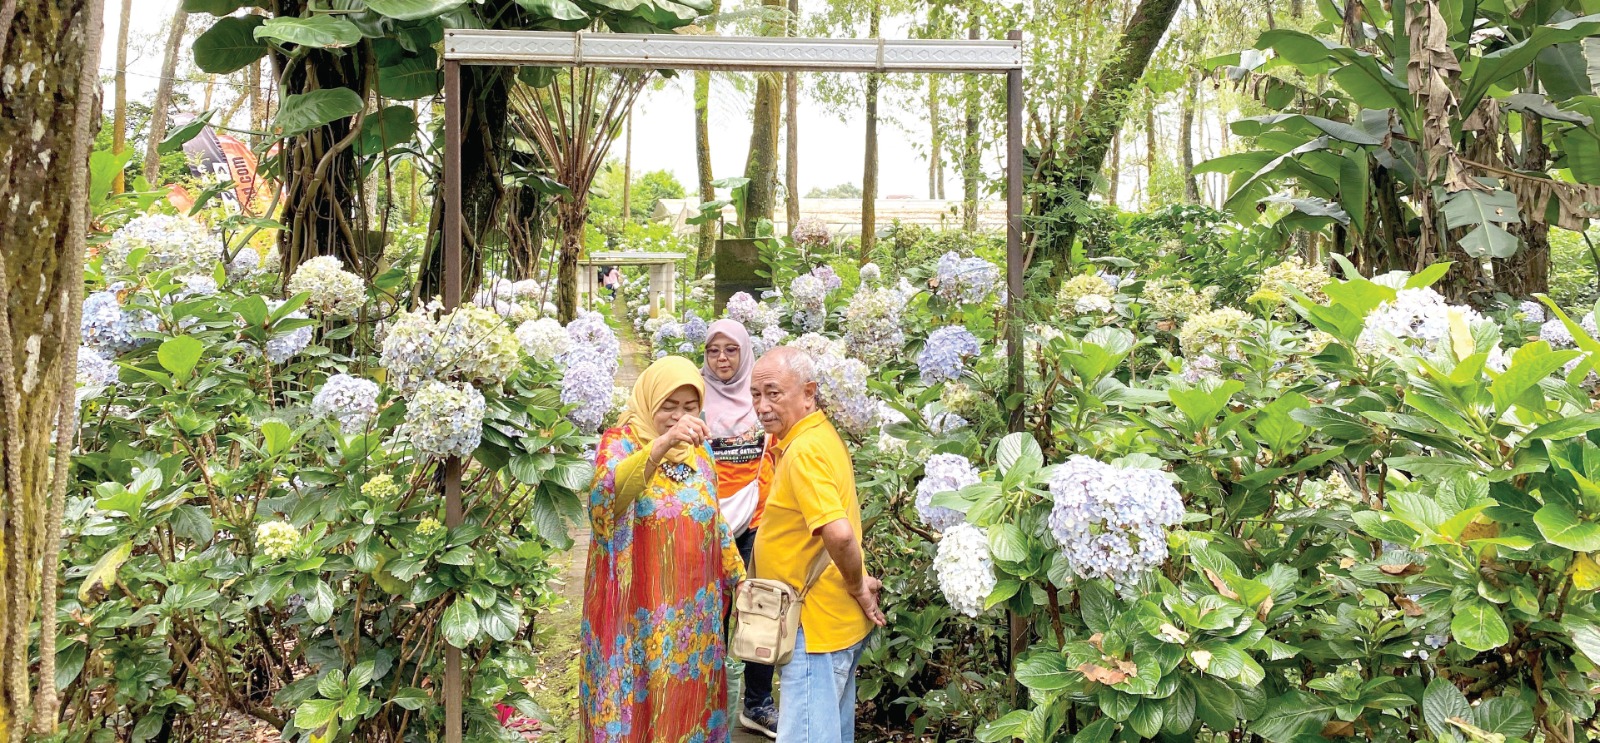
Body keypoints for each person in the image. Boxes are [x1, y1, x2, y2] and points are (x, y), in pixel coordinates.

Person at [580, 356, 745, 743]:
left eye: (689, 407)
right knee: (635, 708)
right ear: (648, 402)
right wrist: (660, 446)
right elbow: (604, 501)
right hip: (636, 615)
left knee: (687, 711)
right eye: (668, 407)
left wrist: (740, 577)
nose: (679, 417)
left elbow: (717, 522)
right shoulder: (618, 443)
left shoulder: (700, 454)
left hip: (694, 621)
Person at [749, 347, 885, 743]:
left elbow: (839, 533)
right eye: (756, 394)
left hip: (814, 628)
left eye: (773, 393)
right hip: (827, 622)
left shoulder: (804, 450)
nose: (762, 406)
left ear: (808, 393)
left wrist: (858, 584)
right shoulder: (815, 434)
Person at [700, 320, 778, 738]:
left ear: (745, 351)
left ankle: (757, 704)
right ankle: (705, 705)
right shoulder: (694, 396)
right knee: (712, 615)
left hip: (758, 520)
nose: (723, 359)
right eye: (714, 351)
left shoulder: (759, 394)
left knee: (758, 613)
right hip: (707, 523)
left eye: (731, 350)